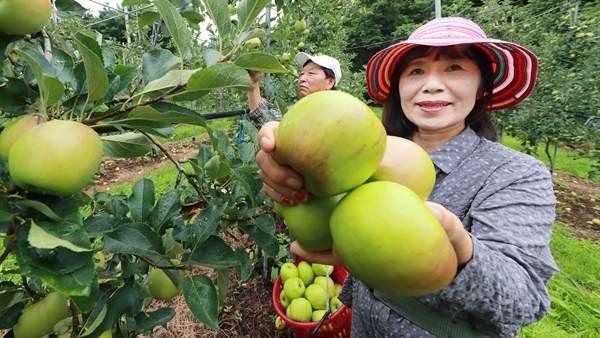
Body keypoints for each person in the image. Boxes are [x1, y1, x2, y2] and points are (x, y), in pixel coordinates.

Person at [256, 17, 559, 338]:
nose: (431, 84)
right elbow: (328, 215)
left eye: (454, 67)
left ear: (483, 84)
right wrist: (290, 165)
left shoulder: (515, 174)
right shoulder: (362, 156)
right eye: (415, 70)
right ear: (399, 86)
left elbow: (526, 299)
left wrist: (456, 255)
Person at [247, 52, 341, 128]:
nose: (302, 79)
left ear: (330, 82)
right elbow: (262, 116)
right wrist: (253, 81)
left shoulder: (340, 116)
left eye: (311, 73)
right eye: (302, 74)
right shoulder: (294, 112)